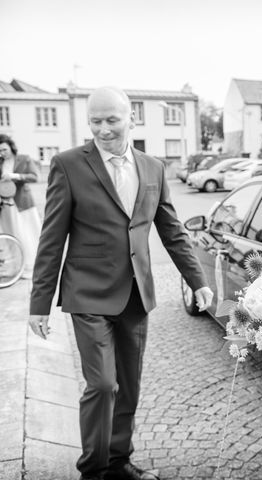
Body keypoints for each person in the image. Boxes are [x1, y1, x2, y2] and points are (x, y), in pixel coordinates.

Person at [28, 87, 213, 480]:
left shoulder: (153, 167)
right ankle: (93, 470)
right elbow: (51, 238)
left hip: (135, 294)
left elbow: (172, 230)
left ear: (131, 118)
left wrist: (197, 280)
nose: (103, 129)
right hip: (87, 293)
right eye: (95, 121)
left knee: (128, 386)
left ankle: (118, 462)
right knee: (103, 384)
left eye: (112, 119)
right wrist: (38, 303)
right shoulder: (67, 165)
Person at [0, 134, 41, 278]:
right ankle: (15, 267)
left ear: (11, 147)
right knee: (11, 235)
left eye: (4, 149)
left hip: (22, 204)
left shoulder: (24, 159)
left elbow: (35, 177)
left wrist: (15, 176)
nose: (2, 153)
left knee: (26, 234)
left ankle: (30, 267)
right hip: (5, 205)